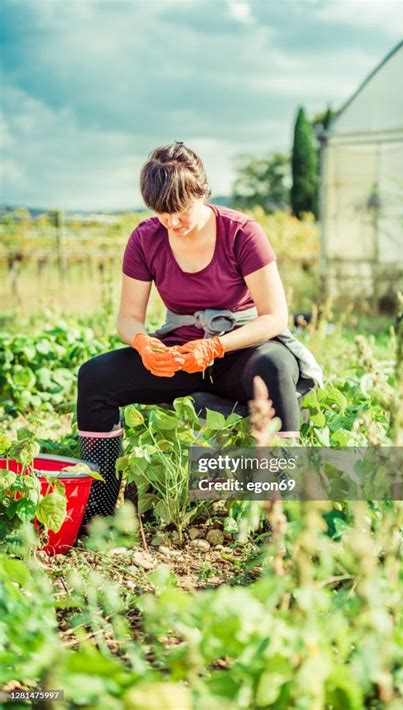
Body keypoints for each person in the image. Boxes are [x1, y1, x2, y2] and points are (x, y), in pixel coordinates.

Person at [76, 142, 322, 522]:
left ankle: (281, 512)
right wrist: (143, 343)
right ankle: (99, 508)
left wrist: (214, 347)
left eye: (180, 212)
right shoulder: (145, 239)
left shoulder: (241, 232)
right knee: (95, 378)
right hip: (180, 355)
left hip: (241, 351)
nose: (172, 223)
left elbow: (274, 317)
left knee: (275, 365)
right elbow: (128, 317)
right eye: (162, 214)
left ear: (202, 193)